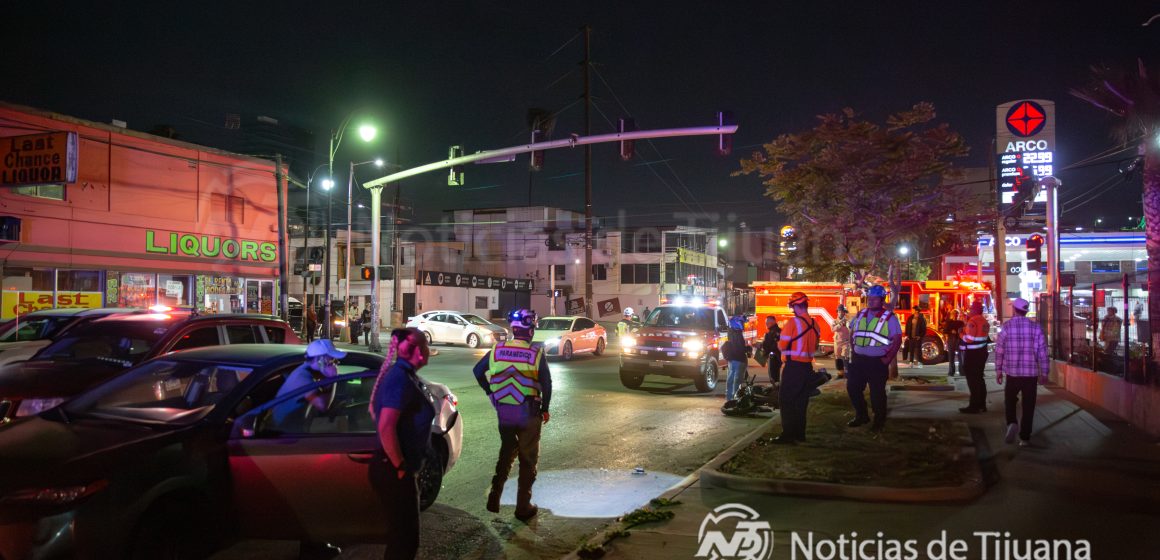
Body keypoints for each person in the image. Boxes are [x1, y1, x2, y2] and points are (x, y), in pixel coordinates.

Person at [473, 308, 552, 520]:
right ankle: (523, 507)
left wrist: (491, 392)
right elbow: (546, 382)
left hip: (505, 411)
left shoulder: (497, 350)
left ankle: (494, 494)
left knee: (507, 450)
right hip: (528, 412)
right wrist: (545, 409)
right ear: (530, 330)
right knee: (528, 459)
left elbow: (477, 372)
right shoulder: (535, 354)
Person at [369, 327, 436, 559]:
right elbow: (386, 426)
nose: (428, 350)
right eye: (425, 345)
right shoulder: (400, 379)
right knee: (404, 541)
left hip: (398, 469)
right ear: (414, 351)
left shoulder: (406, 376)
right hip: (393, 471)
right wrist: (400, 467)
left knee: (403, 539)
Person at [846, 285, 903, 432]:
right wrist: (853, 351)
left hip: (877, 363)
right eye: (869, 298)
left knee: (877, 394)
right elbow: (852, 332)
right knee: (852, 388)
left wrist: (887, 359)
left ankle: (879, 421)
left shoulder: (890, 318)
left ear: (882, 300)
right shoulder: (861, 314)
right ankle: (862, 415)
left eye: (874, 299)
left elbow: (897, 340)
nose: (870, 301)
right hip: (859, 361)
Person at [995, 298, 1049, 447]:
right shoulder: (1036, 328)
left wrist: (998, 370)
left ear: (1014, 309)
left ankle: (1012, 422)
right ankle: (1025, 437)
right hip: (1030, 375)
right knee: (1029, 405)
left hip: (1012, 374)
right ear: (1026, 311)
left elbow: (999, 351)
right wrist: (1044, 372)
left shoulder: (1006, 327)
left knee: (1010, 401)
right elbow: (1043, 352)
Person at [772, 292, 820, 444]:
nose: (792, 309)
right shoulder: (815, 324)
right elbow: (816, 345)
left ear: (796, 306)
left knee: (786, 400)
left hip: (793, 368)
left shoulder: (793, 323)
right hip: (807, 367)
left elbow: (781, 345)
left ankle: (788, 435)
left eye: (792, 306)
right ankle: (800, 434)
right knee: (801, 401)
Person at [272, 339, 344, 426]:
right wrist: (332, 379)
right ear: (320, 360)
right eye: (332, 360)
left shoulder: (310, 372)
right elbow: (323, 406)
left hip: (295, 423)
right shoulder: (302, 377)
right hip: (284, 429)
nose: (335, 363)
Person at [959, 301, 992, 413]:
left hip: (973, 354)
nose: (969, 311)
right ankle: (982, 405)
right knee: (979, 379)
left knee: (973, 381)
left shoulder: (972, 321)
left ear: (974, 310)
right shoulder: (984, 321)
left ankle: (974, 406)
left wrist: (961, 334)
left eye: (971, 309)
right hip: (982, 352)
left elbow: (969, 339)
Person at [722, 315, 752, 401]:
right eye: (741, 322)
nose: (743, 324)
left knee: (731, 380)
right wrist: (749, 348)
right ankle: (735, 399)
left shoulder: (730, 332)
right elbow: (740, 348)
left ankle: (729, 399)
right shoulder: (737, 333)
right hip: (738, 359)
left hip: (732, 359)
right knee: (737, 381)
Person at [941, 309, 965, 377]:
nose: (956, 315)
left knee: (961, 358)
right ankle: (951, 372)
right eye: (954, 314)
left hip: (959, 341)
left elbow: (964, 330)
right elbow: (945, 331)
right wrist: (951, 331)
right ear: (952, 315)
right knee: (951, 357)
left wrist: (959, 332)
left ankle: (962, 372)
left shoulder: (961, 322)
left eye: (957, 314)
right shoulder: (948, 322)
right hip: (951, 340)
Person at [759, 315, 782, 384]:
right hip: (779, 357)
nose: (765, 324)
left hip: (773, 357)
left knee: (773, 377)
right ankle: (777, 390)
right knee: (776, 376)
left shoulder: (770, 334)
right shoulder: (780, 331)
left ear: (771, 323)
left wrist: (761, 347)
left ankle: (775, 392)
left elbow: (767, 347)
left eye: (766, 323)